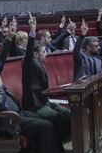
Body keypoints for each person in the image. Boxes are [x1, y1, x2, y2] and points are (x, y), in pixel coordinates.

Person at [22, 13, 71, 144]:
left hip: (45, 101)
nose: (46, 55)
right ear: (36, 53)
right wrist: (32, 31)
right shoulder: (29, 62)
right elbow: (29, 52)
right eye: (44, 52)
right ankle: (61, 142)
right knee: (56, 116)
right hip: (35, 105)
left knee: (67, 113)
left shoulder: (41, 64)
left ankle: (71, 138)